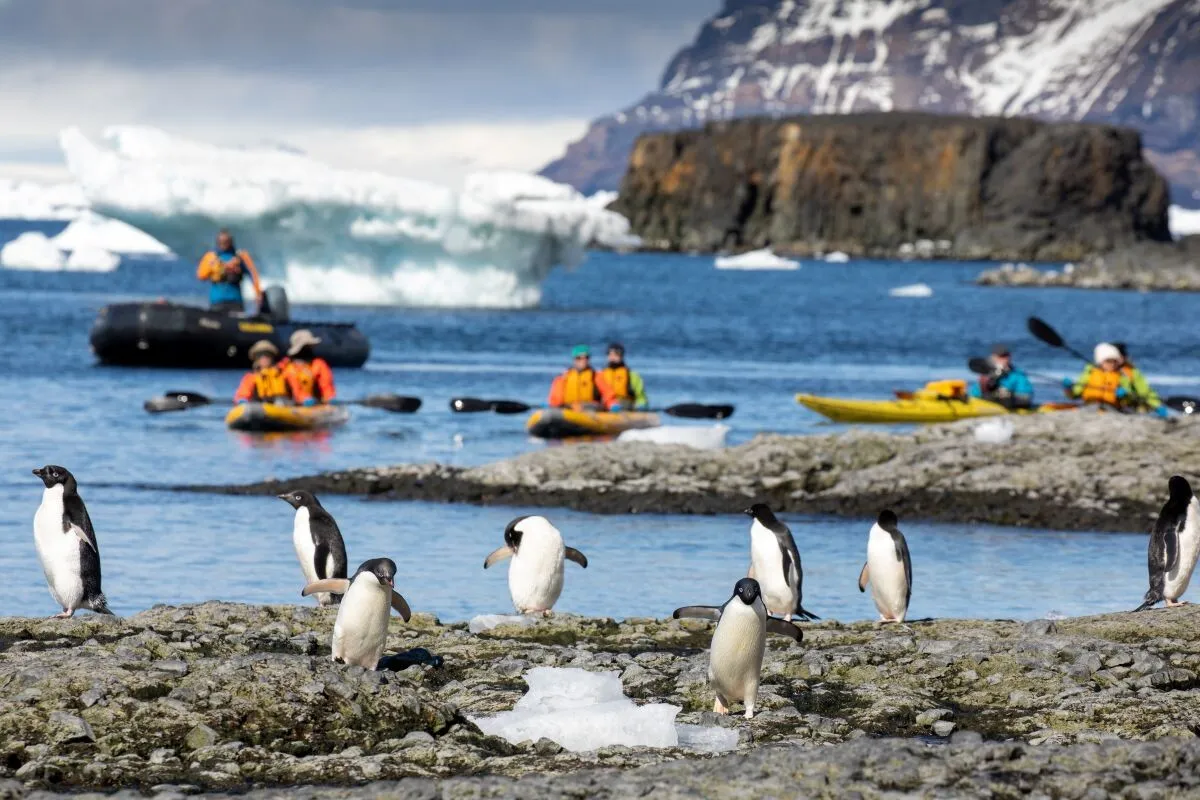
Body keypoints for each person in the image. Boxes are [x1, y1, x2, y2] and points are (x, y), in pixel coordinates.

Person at [1063, 343, 1168, 417]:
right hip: (1090, 408)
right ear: (1101, 362)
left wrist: (1156, 406)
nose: (1112, 364)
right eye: (1108, 361)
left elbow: (1142, 394)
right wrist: (1068, 388)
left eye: (1114, 361)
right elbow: (1073, 395)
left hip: (1114, 410)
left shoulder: (1125, 374)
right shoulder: (1090, 372)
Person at [197, 229, 263, 312]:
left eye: (226, 241)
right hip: (217, 301)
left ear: (231, 242)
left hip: (235, 301)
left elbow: (253, 275)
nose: (223, 244)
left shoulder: (241, 257)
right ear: (217, 242)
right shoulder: (211, 257)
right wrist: (216, 266)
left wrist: (258, 293)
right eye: (221, 241)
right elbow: (201, 275)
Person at [548, 345, 615, 410]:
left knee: (589, 406)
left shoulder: (596, 376)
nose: (583, 360)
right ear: (574, 359)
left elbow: (608, 394)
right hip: (569, 408)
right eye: (579, 358)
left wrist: (612, 405)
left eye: (586, 357)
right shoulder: (563, 378)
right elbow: (555, 399)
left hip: (591, 409)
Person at [969, 343, 1033, 409]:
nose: (1005, 359)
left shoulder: (1018, 376)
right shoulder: (986, 375)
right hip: (987, 403)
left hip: (1009, 404)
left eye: (1006, 356)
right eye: (1001, 356)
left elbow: (1025, 398)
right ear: (993, 358)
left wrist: (1009, 395)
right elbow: (974, 394)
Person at [234, 340, 300, 404]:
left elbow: (298, 390)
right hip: (260, 406)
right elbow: (243, 392)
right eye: (259, 355)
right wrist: (242, 400)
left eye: (267, 355)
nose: (264, 358)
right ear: (256, 359)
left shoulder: (285, 374)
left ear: (272, 357)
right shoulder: (250, 378)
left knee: (280, 402)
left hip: (283, 405)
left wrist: (305, 399)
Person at [281, 329, 336, 406]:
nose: (309, 349)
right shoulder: (288, 367)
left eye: (310, 347)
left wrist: (329, 397)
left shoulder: (319, 364)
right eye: (306, 347)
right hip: (294, 404)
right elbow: (296, 388)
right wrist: (304, 399)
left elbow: (326, 384)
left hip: (317, 403)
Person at [1113, 343, 1166, 416]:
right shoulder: (1099, 372)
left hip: (1132, 407)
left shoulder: (1132, 372)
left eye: (1119, 356)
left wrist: (1157, 406)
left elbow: (1144, 393)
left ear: (1123, 357)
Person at [600, 342, 648, 411]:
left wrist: (641, 404)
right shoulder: (601, 375)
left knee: (622, 404)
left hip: (624, 403)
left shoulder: (632, 375)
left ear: (621, 356)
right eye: (610, 355)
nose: (612, 357)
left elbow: (640, 395)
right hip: (606, 404)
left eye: (616, 355)